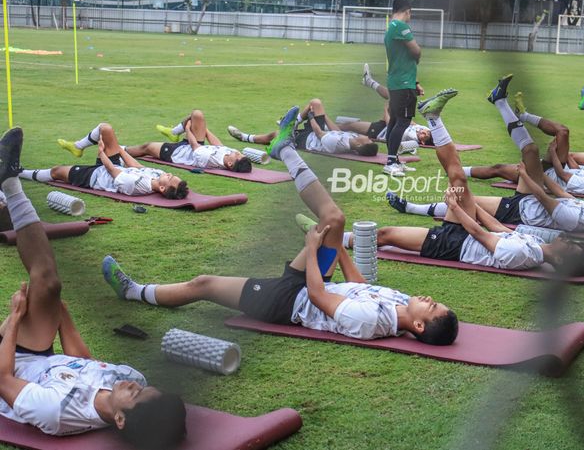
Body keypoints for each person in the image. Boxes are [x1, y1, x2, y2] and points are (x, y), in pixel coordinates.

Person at [104, 107, 459, 346]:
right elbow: (360, 285)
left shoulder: (372, 324)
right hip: (315, 283)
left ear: (418, 326)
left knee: (205, 285)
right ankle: (285, 149)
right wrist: (337, 247)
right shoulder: (398, 303)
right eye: (434, 301)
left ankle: (134, 291)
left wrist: (311, 245)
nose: (428, 299)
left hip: (289, 301)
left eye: (430, 308)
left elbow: (319, 297)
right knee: (335, 220)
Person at [0, 127, 186, 449]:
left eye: (136, 395)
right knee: (49, 283)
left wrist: (15, 319)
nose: (134, 384)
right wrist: (62, 315)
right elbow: (85, 364)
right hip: (35, 353)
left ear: (120, 420)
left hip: (5, 366)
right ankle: (9, 181)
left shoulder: (57, 413)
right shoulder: (129, 379)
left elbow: (4, 380)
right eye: (144, 388)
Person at [360, 89, 584, 276]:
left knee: (384, 235)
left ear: (562, 260)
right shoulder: (535, 245)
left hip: (453, 244)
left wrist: (456, 208)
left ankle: (340, 240)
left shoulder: (523, 256)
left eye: (572, 246)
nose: (568, 240)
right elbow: (497, 228)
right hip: (464, 232)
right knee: (459, 178)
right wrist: (472, 206)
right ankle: (433, 118)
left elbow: (479, 234)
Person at [387, 75, 584, 236]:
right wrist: (537, 175)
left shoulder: (577, 221)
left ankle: (410, 207)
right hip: (530, 196)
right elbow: (563, 193)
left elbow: (545, 198)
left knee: (466, 200)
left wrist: (528, 176)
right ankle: (499, 101)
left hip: (519, 210)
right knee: (529, 150)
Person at [461, 92, 584, 198]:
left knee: (498, 168)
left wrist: (553, 152)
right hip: (556, 166)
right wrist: (567, 154)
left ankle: (459, 170)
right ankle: (523, 115)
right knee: (563, 131)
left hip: (543, 176)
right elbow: (575, 169)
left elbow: (562, 174)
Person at [21, 123, 188, 199]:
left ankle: (20, 172)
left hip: (97, 176)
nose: (169, 173)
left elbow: (112, 171)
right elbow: (136, 165)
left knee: (57, 171)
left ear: (162, 187)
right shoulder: (158, 175)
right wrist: (119, 149)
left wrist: (102, 153)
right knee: (105, 129)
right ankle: (78, 147)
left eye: (170, 178)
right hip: (112, 165)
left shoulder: (138, 186)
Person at [58, 111, 252, 173]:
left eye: (237, 155)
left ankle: (85, 147)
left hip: (181, 152)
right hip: (194, 144)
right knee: (197, 115)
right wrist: (205, 129)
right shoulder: (227, 154)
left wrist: (188, 130)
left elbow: (195, 146)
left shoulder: (210, 158)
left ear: (229, 163)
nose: (236, 152)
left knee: (146, 148)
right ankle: (173, 132)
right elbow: (220, 146)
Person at [229, 98, 382, 157]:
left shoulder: (336, 144)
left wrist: (310, 117)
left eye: (368, 140)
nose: (368, 137)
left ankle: (244, 137)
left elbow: (319, 132)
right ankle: (292, 123)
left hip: (307, 139)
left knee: (274, 135)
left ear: (361, 144)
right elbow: (337, 131)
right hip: (316, 133)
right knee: (315, 103)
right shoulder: (351, 139)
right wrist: (324, 115)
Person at [335, 64, 433, 146]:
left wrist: (386, 109)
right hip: (390, 122)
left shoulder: (409, 136)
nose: (424, 131)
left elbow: (390, 124)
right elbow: (411, 123)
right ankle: (368, 81)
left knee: (350, 126)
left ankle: (325, 129)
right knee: (394, 96)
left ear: (422, 142)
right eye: (427, 131)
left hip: (381, 131)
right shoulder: (426, 130)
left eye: (425, 135)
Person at [383, 0, 424, 177]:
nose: (410, 16)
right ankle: (391, 161)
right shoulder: (400, 26)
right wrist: (418, 55)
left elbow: (402, 59)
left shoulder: (390, 26)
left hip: (398, 81)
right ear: (407, 11)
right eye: (410, 12)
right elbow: (416, 51)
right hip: (402, 83)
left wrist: (415, 82)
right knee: (403, 121)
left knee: (394, 121)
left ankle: (394, 160)